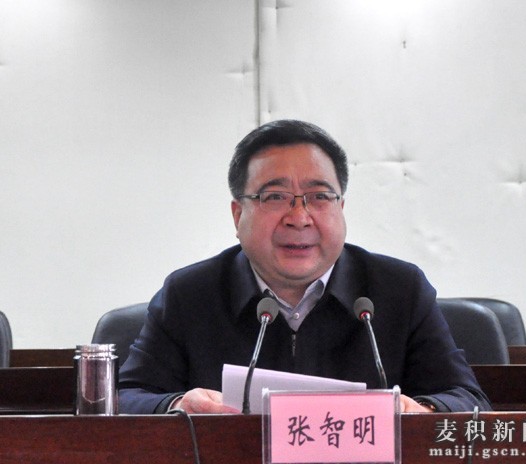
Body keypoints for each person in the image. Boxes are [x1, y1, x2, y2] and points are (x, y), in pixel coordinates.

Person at [119, 119, 491, 414]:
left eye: (319, 197)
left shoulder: (399, 289)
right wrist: (177, 406)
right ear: (237, 214)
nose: (299, 217)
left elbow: (466, 398)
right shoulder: (189, 294)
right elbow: (127, 398)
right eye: (275, 197)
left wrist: (421, 411)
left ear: (341, 208)